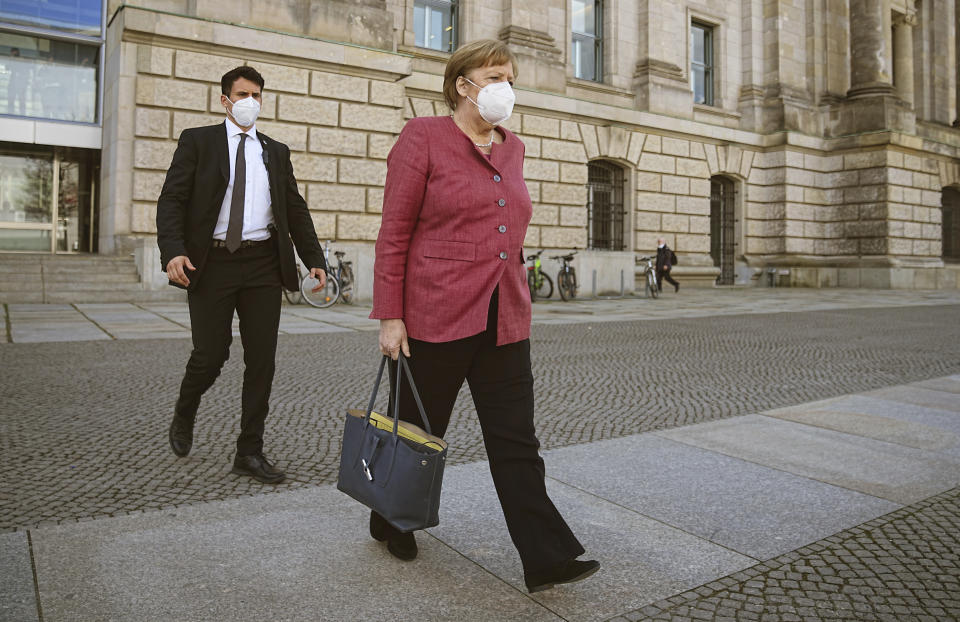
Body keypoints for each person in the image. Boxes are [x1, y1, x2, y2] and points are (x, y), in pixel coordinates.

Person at [370, 39, 600, 593]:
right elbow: (395, 232)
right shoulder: (422, 136)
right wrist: (390, 315)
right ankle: (391, 518)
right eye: (494, 75)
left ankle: (546, 558)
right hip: (435, 312)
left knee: (516, 439)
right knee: (420, 428)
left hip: (505, 315)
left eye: (510, 77)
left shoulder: (512, 147)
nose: (505, 87)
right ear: (462, 85)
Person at [156, 66, 327, 484]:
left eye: (257, 94)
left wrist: (314, 257)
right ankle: (186, 406)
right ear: (225, 100)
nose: (251, 101)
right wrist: (173, 251)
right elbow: (172, 199)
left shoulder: (275, 150)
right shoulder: (198, 141)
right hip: (211, 264)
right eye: (243, 94)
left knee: (262, 361)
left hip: (263, 264)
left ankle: (248, 451)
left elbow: (294, 208)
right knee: (211, 355)